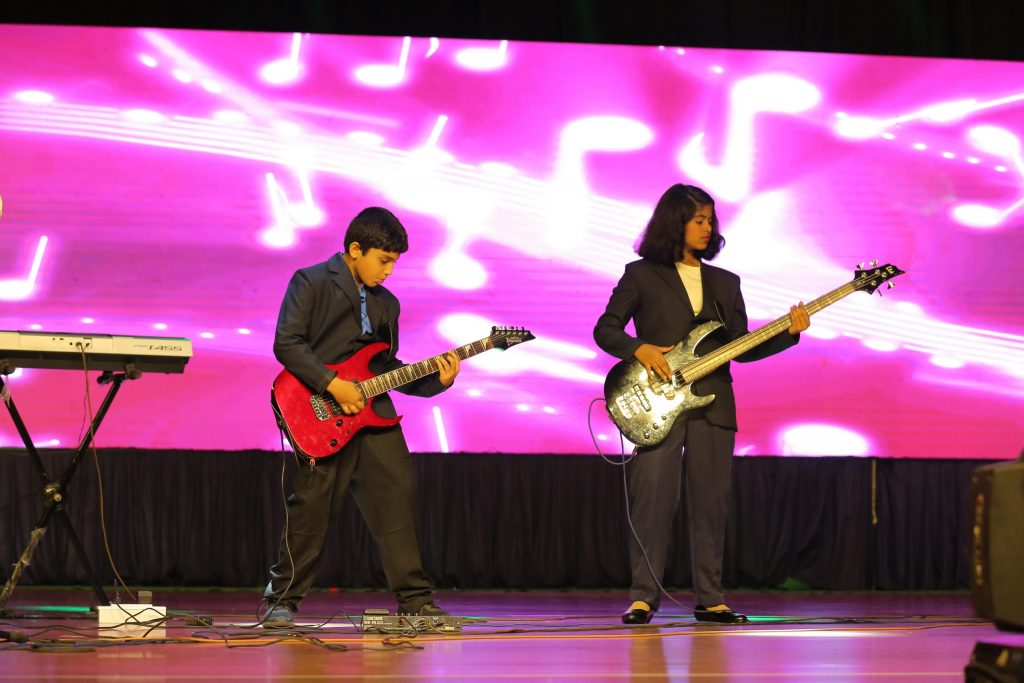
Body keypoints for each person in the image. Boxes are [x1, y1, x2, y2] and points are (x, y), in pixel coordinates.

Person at [593, 184, 810, 625]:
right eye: (699, 220)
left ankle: (710, 598)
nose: (708, 228)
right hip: (657, 404)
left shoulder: (725, 283)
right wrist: (640, 349)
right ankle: (642, 597)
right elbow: (605, 329)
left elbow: (741, 348)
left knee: (711, 504)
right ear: (675, 222)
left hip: (714, 404)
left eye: (711, 220)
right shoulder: (640, 274)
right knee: (651, 500)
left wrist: (789, 332)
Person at [262, 206, 460, 628]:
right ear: (355, 249)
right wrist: (333, 385)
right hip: (320, 411)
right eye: (383, 260)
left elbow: (386, 368)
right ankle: (281, 600)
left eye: (394, 263)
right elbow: (287, 343)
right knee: (311, 509)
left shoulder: (389, 304)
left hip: (375, 418)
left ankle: (416, 602)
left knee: (397, 504)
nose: (389, 271)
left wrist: (436, 381)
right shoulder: (311, 281)